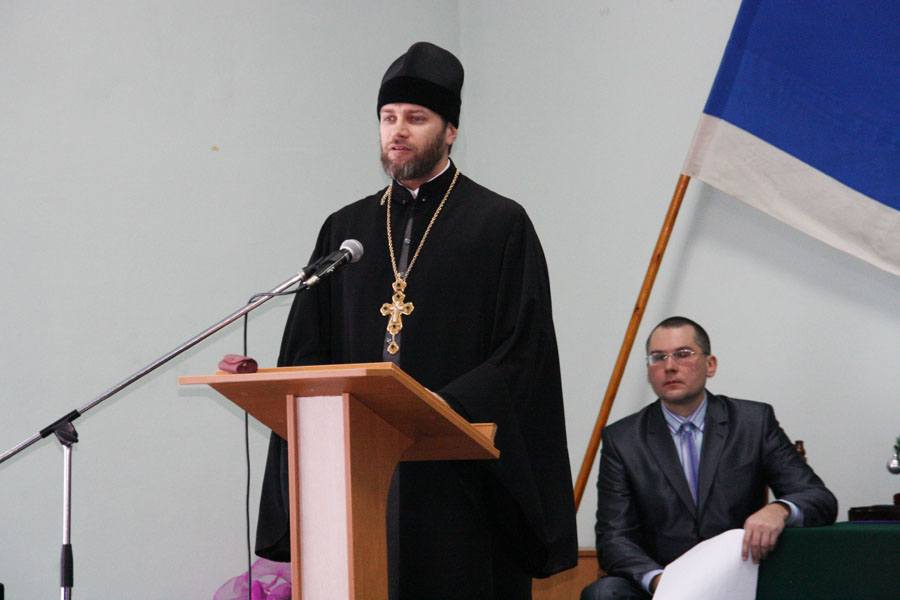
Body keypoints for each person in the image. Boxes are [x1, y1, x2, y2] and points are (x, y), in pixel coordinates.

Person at [255, 41, 577, 599]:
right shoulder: (345, 229)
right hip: (360, 474)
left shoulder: (499, 224)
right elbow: (307, 346)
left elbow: (523, 349)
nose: (397, 131)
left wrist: (441, 406)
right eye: (388, 117)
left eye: (415, 118)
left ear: (450, 130)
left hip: (459, 476)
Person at [581, 316, 837, 600]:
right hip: (662, 583)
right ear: (649, 371)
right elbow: (614, 537)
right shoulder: (623, 439)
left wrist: (779, 510)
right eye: (658, 357)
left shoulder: (753, 422)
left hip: (741, 577)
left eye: (683, 354)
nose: (669, 366)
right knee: (603, 593)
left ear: (710, 364)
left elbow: (818, 497)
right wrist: (662, 582)